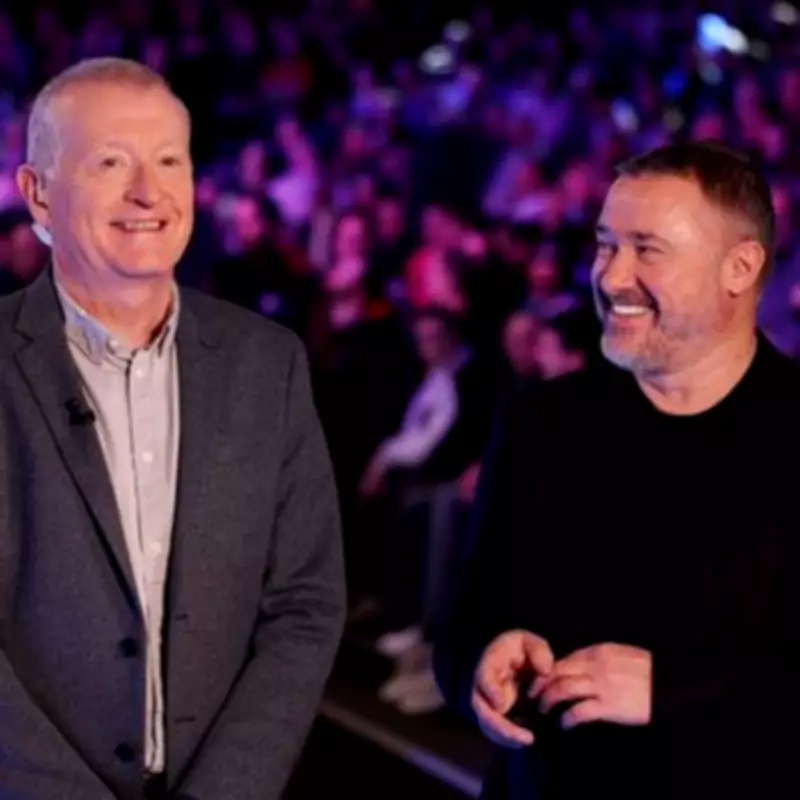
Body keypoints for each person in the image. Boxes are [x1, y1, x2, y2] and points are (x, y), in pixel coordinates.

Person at [1, 58, 345, 800]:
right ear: (38, 192)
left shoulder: (268, 363)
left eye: (168, 161)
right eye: (110, 162)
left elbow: (304, 604)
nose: (148, 193)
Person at [435, 141, 799, 799]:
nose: (610, 277)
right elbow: (465, 622)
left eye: (647, 250)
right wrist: (481, 667)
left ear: (740, 267)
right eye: (605, 246)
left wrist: (670, 693)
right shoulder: (539, 420)